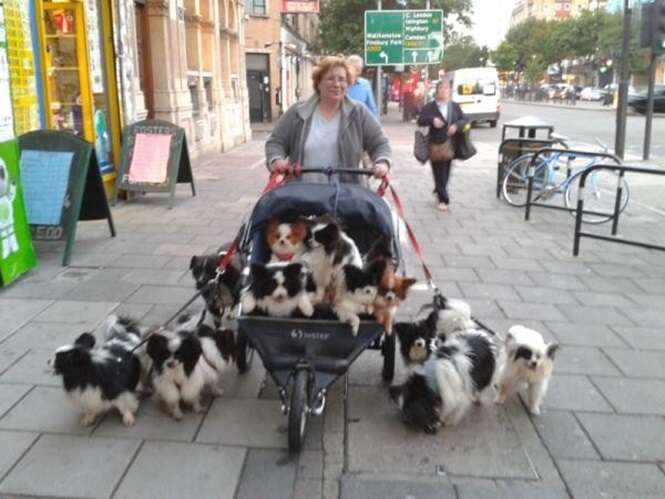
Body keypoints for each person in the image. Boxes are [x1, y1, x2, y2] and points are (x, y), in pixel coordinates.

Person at [265, 56, 391, 182]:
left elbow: (380, 143)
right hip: (302, 194)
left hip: (347, 196)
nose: (336, 84)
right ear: (318, 83)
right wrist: (276, 160)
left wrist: (382, 162)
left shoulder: (358, 113)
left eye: (342, 79)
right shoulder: (298, 112)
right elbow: (276, 142)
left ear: (348, 84)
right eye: (330, 79)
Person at [417, 79, 466, 211]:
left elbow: (464, 119)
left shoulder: (454, 106)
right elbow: (420, 120)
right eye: (441, 88)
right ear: (437, 91)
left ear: (450, 91)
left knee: (447, 170)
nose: (444, 91)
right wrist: (432, 120)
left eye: (446, 88)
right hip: (435, 144)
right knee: (438, 171)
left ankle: (439, 190)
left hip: (451, 144)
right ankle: (443, 198)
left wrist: (456, 125)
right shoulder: (430, 107)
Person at [345, 55, 379, 119]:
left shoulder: (365, 84)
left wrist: (376, 126)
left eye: (357, 69)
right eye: (350, 67)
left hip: (360, 124)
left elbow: (371, 108)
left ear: (359, 71)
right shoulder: (341, 84)